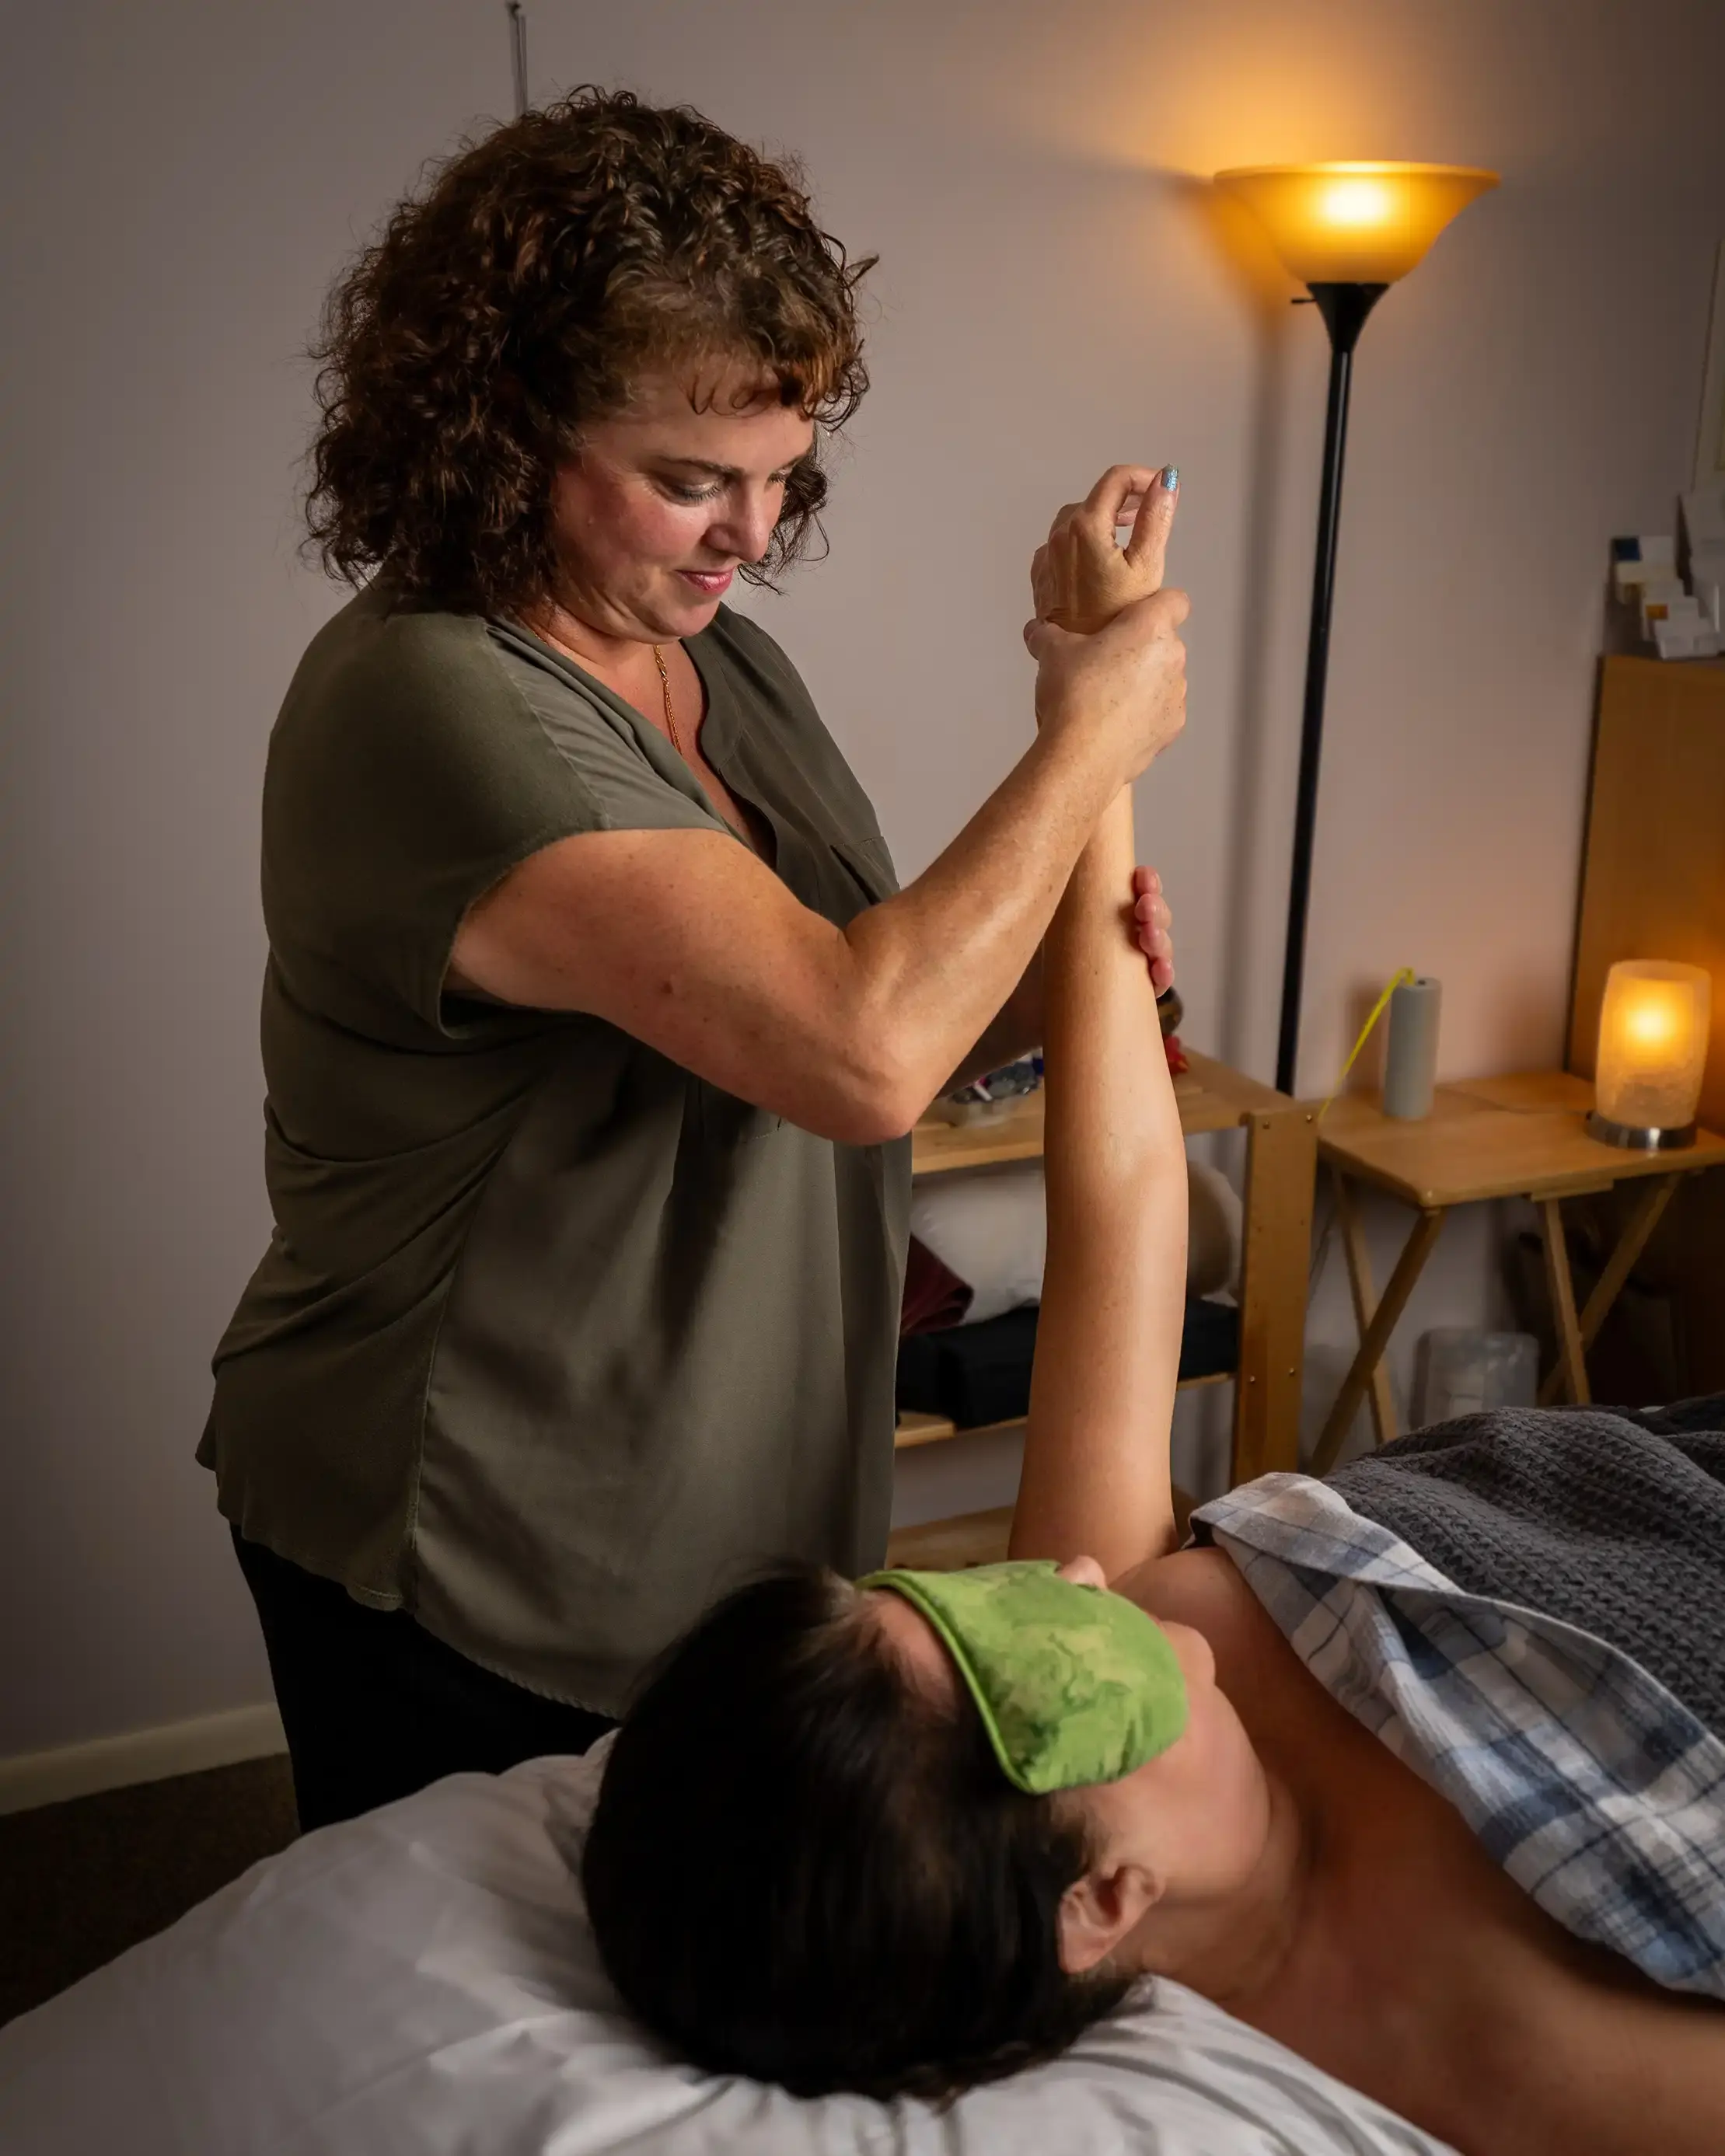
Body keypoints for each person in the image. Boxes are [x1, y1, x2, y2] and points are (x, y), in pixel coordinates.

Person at [582, 540, 1725, 2152]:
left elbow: (1119, 1194)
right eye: (1033, 1662)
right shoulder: (1490, 2036)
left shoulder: (1106, 1620)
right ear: (1102, 1900)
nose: (1055, 1583)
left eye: (939, 1592)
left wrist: (1091, 710)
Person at [199, 85, 1191, 1830]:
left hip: (726, 1511)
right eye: (688, 484)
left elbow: (830, 1015)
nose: (748, 538)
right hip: (476, 1532)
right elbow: (852, 1044)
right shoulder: (433, 704)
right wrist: (1081, 740)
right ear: (502, 429)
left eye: (778, 482)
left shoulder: (717, 668)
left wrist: (1039, 984)